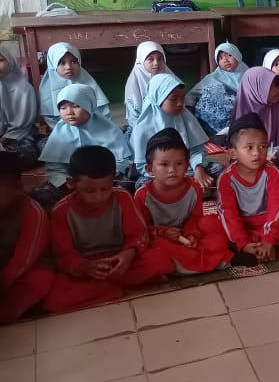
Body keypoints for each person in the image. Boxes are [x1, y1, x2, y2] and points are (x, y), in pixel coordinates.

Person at [45, 145, 171, 313]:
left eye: (105, 188)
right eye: (89, 190)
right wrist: (84, 267)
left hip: (121, 259)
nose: (98, 197)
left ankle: (105, 287)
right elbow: (62, 255)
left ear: (113, 181)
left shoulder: (122, 197)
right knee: (54, 300)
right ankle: (113, 287)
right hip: (87, 266)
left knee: (160, 259)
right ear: (71, 183)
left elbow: (139, 234)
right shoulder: (61, 211)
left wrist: (128, 254)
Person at [135, 130, 233, 274]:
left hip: (188, 235)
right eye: (164, 164)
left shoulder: (194, 188)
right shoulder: (143, 196)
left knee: (211, 223)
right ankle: (208, 260)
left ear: (188, 165)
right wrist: (163, 232)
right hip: (162, 238)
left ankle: (185, 264)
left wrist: (192, 234)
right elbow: (141, 230)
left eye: (179, 163)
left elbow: (196, 218)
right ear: (150, 169)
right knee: (154, 247)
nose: (172, 170)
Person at [217, 115, 279, 264]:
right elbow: (229, 213)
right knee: (215, 229)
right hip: (242, 225)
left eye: (263, 146)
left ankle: (261, 247)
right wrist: (243, 243)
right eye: (249, 147)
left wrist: (269, 239)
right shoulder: (226, 178)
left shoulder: (272, 172)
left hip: (267, 221)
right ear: (233, 153)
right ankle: (250, 248)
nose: (256, 153)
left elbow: (276, 207)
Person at [40, 83, 132, 197]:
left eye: (76, 106)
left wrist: (102, 179)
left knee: (126, 186)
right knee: (44, 194)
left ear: (89, 105)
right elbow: (53, 166)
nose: (69, 112)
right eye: (63, 108)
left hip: (103, 179)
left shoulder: (109, 130)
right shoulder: (59, 132)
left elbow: (121, 162)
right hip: (71, 181)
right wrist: (64, 182)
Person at [131, 74, 212, 188]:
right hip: (159, 175)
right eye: (173, 99)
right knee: (142, 185)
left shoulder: (186, 117)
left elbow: (197, 150)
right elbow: (141, 165)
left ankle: (183, 190)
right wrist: (169, 177)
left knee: (218, 170)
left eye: (182, 98)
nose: (180, 104)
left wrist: (198, 169)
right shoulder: (142, 127)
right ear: (158, 97)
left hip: (186, 169)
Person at [0, 151, 51, 323]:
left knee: (38, 282)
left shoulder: (33, 214)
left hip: (25, 271)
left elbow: (22, 262)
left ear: (17, 187)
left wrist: (3, 283)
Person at [38, 42, 111, 130]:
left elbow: (103, 113)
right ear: (52, 64)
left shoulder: (88, 83)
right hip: (62, 135)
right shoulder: (46, 89)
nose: (68, 67)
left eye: (73, 62)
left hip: (93, 131)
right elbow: (50, 119)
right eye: (62, 63)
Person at [187, 43, 247, 136]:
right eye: (221, 58)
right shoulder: (213, 77)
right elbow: (192, 95)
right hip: (219, 122)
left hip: (243, 115)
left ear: (237, 55)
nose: (225, 60)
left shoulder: (249, 74)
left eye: (229, 55)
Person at [0, 46, 39, 167]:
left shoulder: (23, 89)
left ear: (10, 61)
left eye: (0, 60)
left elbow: (22, 125)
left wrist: (3, 140)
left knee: (19, 156)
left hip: (19, 137)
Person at [124, 41, 172, 130]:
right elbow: (133, 116)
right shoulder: (134, 82)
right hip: (143, 126)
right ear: (141, 60)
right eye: (150, 59)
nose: (156, 63)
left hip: (169, 123)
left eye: (160, 59)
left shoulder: (169, 78)